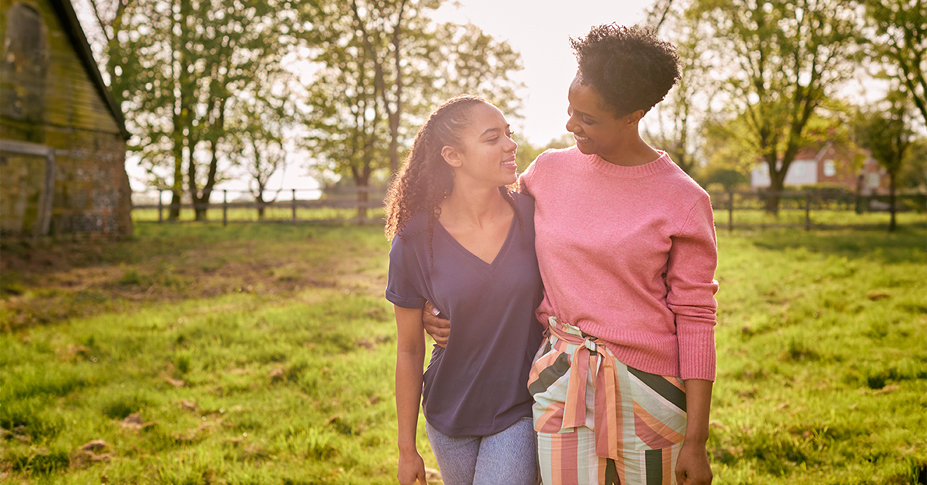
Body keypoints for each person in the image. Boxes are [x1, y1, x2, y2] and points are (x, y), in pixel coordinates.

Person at [424, 24, 719, 485]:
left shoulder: (684, 199)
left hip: (652, 390)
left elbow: (696, 317)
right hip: (562, 380)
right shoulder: (548, 171)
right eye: (569, 110)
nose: (570, 125)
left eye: (588, 118)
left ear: (632, 115)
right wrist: (435, 299)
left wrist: (697, 441)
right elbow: (484, 228)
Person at [384, 95, 544, 485]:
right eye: (492, 138)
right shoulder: (414, 241)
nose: (510, 144)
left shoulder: (535, 216)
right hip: (448, 412)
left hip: (520, 404)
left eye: (509, 133)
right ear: (453, 156)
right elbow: (408, 350)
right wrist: (407, 450)